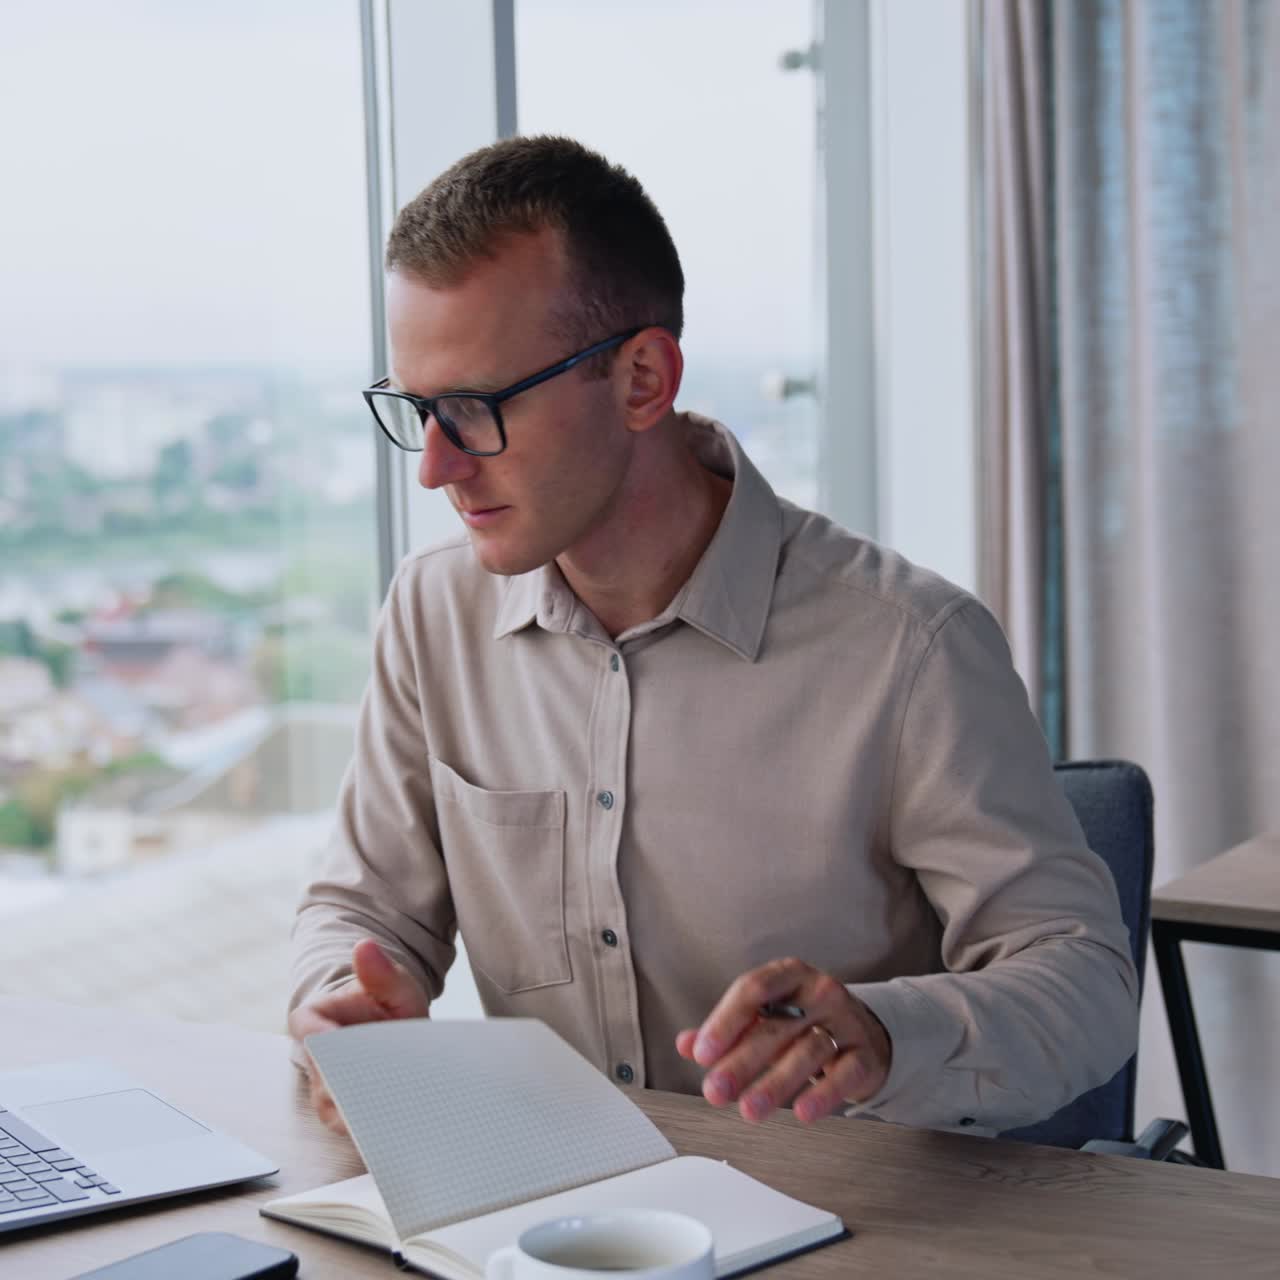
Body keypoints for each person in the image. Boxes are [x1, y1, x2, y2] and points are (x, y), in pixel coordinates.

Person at [288, 135, 1138, 1138]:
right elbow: (362, 910)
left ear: (643, 379)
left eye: (473, 409)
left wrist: (883, 1033)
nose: (434, 467)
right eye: (417, 409)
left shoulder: (911, 647)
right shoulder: (433, 612)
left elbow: (1086, 985)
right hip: (556, 1202)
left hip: (852, 1206)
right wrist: (343, 998)